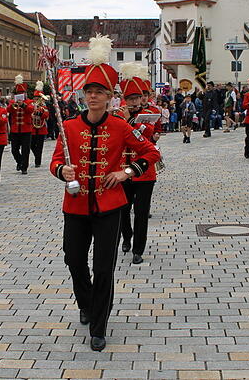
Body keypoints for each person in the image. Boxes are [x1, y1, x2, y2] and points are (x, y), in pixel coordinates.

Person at [49, 35, 160, 352]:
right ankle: (85, 301)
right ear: (84, 95)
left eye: (100, 92)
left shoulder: (121, 126)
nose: (94, 96)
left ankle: (99, 325)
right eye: (90, 91)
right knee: (73, 260)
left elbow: (150, 153)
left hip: (111, 206)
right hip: (75, 205)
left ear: (110, 97)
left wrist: (125, 172)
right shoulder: (69, 126)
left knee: (104, 268)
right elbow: (56, 162)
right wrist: (63, 171)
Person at [116, 63, 160, 265]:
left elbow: (149, 134)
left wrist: (130, 121)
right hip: (123, 171)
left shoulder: (148, 115)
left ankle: (138, 249)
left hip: (144, 172)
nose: (134, 102)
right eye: (130, 99)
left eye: (136, 98)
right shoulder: (118, 115)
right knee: (123, 210)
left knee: (141, 212)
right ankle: (126, 236)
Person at [7, 75, 34, 174]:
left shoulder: (29, 102)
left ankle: (24, 168)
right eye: (18, 93)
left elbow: (31, 110)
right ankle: (19, 162)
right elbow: (8, 109)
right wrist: (14, 102)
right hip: (15, 130)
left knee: (25, 150)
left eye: (22, 93)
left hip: (26, 130)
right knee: (14, 150)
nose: (20, 94)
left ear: (25, 94)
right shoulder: (12, 102)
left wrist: (23, 104)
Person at [30, 81, 51, 168]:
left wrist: (39, 113)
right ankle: (36, 156)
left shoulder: (44, 106)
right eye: (35, 98)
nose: (36, 100)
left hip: (41, 128)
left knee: (39, 146)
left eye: (37, 98)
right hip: (33, 128)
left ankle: (37, 161)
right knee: (31, 145)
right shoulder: (31, 105)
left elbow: (46, 115)